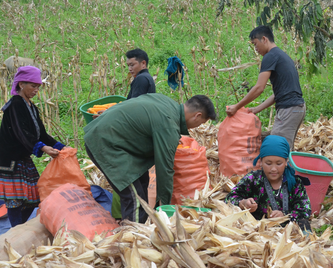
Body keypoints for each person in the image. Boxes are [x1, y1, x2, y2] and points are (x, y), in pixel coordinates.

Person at [84, 94, 216, 223]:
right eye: (201, 122)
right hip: (106, 143)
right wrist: (164, 208)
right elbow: (164, 169)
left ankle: (136, 225)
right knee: (135, 199)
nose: (198, 126)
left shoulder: (166, 102)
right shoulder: (169, 125)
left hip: (115, 140)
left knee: (143, 184)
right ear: (197, 116)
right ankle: (132, 239)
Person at [0, 66, 65, 226]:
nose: (36, 90)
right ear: (21, 84)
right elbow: (21, 132)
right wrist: (42, 148)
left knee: (34, 197)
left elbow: (41, 134)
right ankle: (16, 230)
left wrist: (62, 148)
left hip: (22, 158)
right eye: (33, 86)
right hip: (10, 161)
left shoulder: (31, 107)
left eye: (38, 87)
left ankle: (19, 226)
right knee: (14, 200)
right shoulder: (15, 104)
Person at [225, 26, 305, 150]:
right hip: (297, 109)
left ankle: (287, 170)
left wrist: (237, 106)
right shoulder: (281, 55)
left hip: (289, 109)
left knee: (277, 150)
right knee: (283, 148)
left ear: (264, 39)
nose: (256, 49)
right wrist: (256, 109)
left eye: (255, 44)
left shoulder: (270, 56)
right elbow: (278, 94)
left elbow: (259, 88)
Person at [225, 135, 312, 231]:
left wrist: (285, 215)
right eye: (268, 163)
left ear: (286, 162)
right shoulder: (253, 179)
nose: (273, 169)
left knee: (304, 224)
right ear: (261, 161)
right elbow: (229, 198)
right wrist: (243, 203)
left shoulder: (294, 183)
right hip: (256, 230)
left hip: (288, 232)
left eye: (279, 164)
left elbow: (305, 210)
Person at [110, 48, 157, 220]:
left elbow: (132, 108)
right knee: (142, 179)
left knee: (134, 180)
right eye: (128, 65)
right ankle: (142, 217)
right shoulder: (147, 79)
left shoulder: (141, 80)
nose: (130, 68)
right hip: (143, 130)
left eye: (133, 64)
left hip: (135, 132)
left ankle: (133, 220)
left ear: (143, 63)